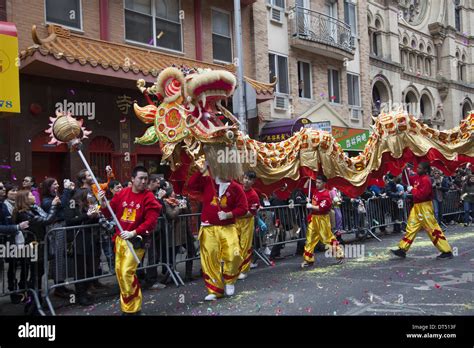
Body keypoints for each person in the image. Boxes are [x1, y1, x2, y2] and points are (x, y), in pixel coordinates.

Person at [98, 166, 161, 315]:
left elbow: (151, 222)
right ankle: (128, 306)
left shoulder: (149, 197)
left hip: (136, 241)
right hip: (120, 240)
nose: (144, 181)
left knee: (127, 272)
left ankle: (133, 309)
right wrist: (102, 202)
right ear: (132, 179)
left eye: (146, 178)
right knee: (120, 273)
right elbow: (109, 212)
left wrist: (134, 232)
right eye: (141, 178)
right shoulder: (122, 194)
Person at [187, 162, 248, 301]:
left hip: (228, 227)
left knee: (234, 254)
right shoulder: (208, 182)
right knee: (210, 259)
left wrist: (229, 214)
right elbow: (191, 185)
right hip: (208, 227)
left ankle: (230, 279)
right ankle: (215, 290)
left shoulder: (236, 188)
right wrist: (202, 171)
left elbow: (243, 208)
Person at [391, 162, 453, 259]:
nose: (417, 169)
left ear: (425, 170)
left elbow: (422, 195)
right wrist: (404, 170)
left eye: (419, 168)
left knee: (433, 229)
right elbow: (406, 179)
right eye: (417, 167)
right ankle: (402, 249)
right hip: (417, 207)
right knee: (411, 227)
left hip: (425, 207)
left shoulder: (426, 180)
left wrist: (412, 190)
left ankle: (446, 251)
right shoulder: (417, 177)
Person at [13, 190, 59, 314]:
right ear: (25, 199)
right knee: (35, 276)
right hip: (33, 248)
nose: (34, 196)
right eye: (31, 195)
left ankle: (36, 302)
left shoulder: (33, 209)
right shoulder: (25, 214)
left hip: (39, 247)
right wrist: (53, 205)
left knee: (39, 274)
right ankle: (33, 305)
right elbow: (47, 220)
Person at [64, 189, 101, 306]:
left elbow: (90, 221)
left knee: (89, 267)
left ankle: (86, 291)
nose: (90, 197)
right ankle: (80, 295)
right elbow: (70, 221)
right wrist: (86, 215)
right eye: (88, 195)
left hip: (89, 240)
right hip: (78, 241)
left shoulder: (87, 205)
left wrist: (95, 215)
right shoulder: (72, 205)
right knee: (79, 269)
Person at [41, 177, 75, 299]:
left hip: (61, 226)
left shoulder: (55, 196)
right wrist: (66, 190)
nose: (57, 186)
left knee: (61, 256)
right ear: (48, 187)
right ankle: (58, 287)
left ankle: (61, 284)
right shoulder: (46, 200)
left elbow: (64, 202)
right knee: (57, 257)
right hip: (55, 228)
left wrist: (69, 190)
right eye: (54, 184)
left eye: (57, 183)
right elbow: (64, 203)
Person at [302, 175, 344, 268]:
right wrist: (308, 178)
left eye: (319, 182)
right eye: (316, 182)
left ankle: (339, 254)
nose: (317, 184)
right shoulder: (315, 191)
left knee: (327, 238)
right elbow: (305, 189)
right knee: (309, 240)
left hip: (322, 219)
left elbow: (321, 208)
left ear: (324, 183)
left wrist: (311, 206)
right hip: (313, 219)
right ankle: (308, 259)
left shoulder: (326, 194)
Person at [0, 183, 29, 303]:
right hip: (9, 241)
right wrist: (16, 227)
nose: (15, 192)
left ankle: (19, 290)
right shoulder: (5, 205)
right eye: (12, 190)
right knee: (11, 266)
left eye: (16, 190)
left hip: (16, 240)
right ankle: (12, 290)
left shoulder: (4, 205)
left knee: (21, 265)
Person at [236, 171, 260, 280]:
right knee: (233, 245)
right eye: (245, 178)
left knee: (245, 246)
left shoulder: (254, 195)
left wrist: (236, 213)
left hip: (246, 222)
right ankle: (234, 269)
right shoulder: (237, 189)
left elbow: (251, 212)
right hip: (234, 222)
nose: (246, 181)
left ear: (253, 182)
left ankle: (244, 270)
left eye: (249, 179)